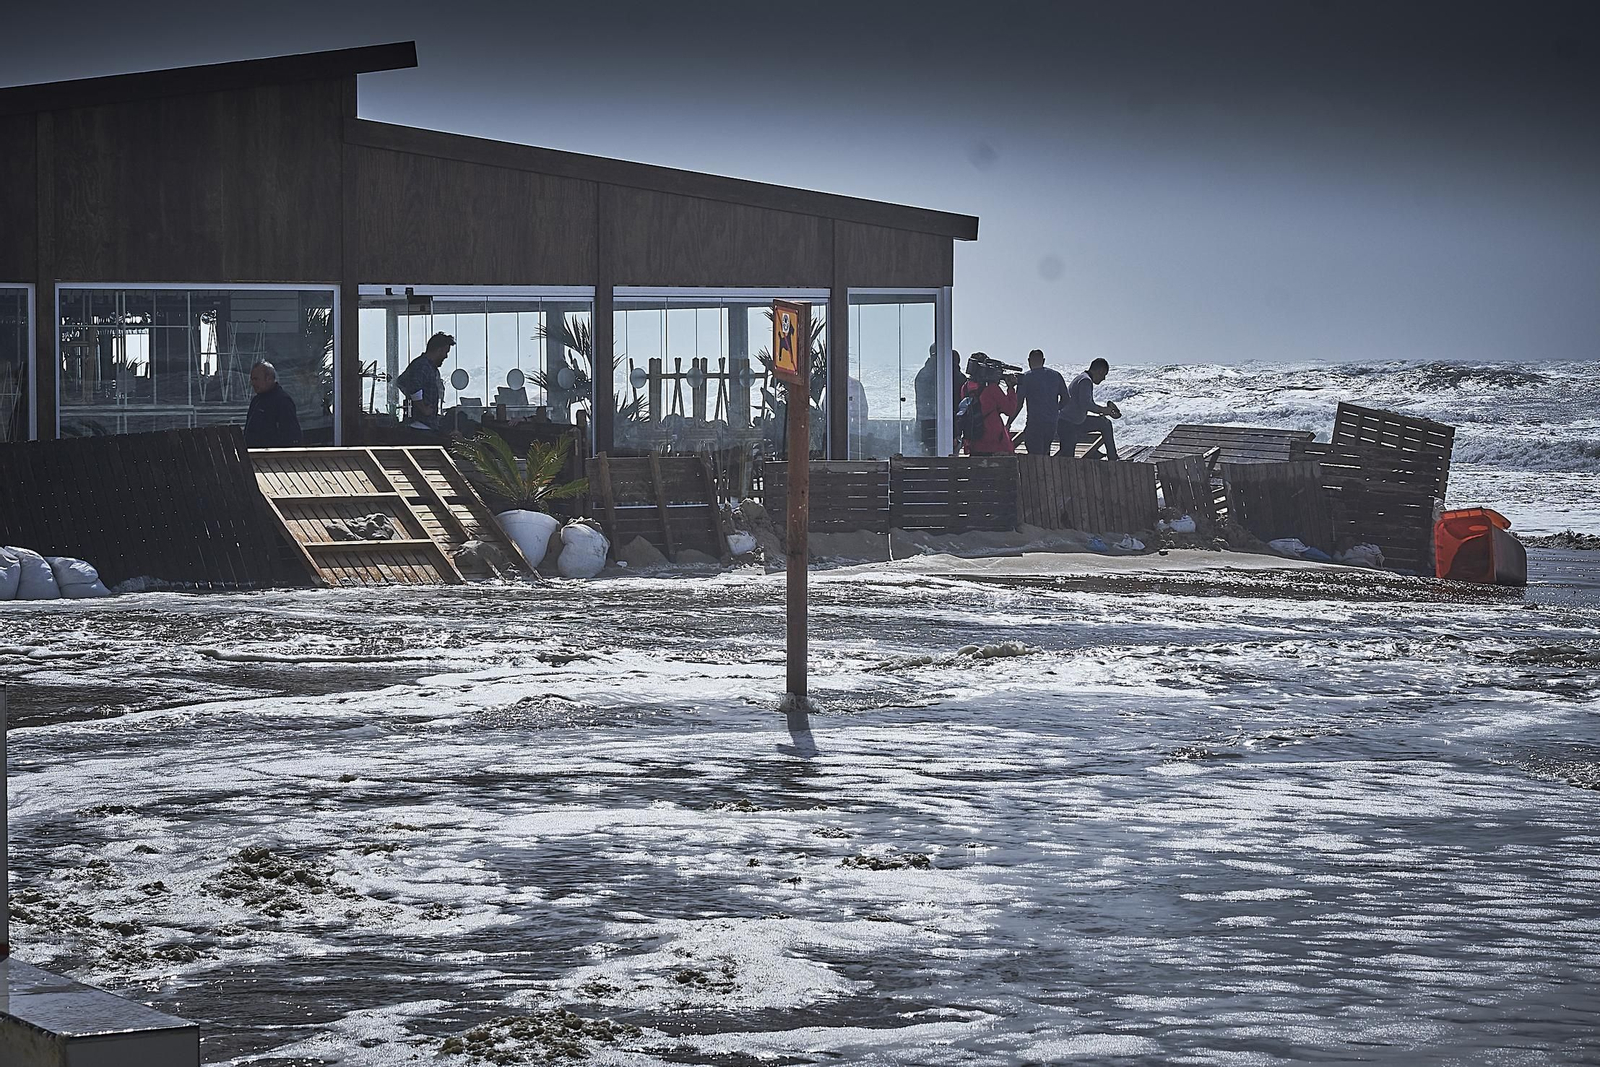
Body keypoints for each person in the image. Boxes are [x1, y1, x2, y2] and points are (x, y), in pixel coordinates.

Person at [1009, 349, 1069, 457]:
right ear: (1044, 360)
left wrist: (1009, 422)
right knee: (1045, 453)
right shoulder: (1056, 375)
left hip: (1034, 423)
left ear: (1028, 361)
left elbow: (1019, 404)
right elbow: (1066, 398)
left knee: (1035, 456)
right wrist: (1056, 409)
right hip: (1052, 423)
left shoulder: (1026, 378)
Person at [958, 353, 1020, 455]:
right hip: (994, 445)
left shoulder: (966, 387)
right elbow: (1009, 409)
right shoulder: (991, 388)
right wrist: (1011, 388)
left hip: (974, 443)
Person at [1059, 357, 1121, 460]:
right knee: (1067, 459)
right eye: (1104, 375)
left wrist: (1102, 411)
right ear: (1100, 371)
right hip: (1069, 424)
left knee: (1105, 423)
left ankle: (1107, 456)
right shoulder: (1086, 381)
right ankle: (1112, 458)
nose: (1104, 378)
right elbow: (1086, 404)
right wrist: (1103, 410)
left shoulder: (1081, 378)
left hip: (1072, 421)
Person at [396, 331, 455, 428]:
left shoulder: (427, 366)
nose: (446, 356)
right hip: (421, 425)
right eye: (445, 352)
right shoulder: (422, 365)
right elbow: (413, 386)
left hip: (425, 423)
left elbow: (401, 382)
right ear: (439, 350)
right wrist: (423, 407)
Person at [243, 360, 302, 448]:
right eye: (252, 379)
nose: (253, 383)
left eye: (256, 379)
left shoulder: (282, 401)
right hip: (254, 455)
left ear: (269, 378)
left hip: (273, 457)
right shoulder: (256, 401)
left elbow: (291, 436)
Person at [913, 344, 939, 455]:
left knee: (929, 458)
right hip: (932, 420)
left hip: (925, 421)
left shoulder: (923, 373)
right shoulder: (940, 373)